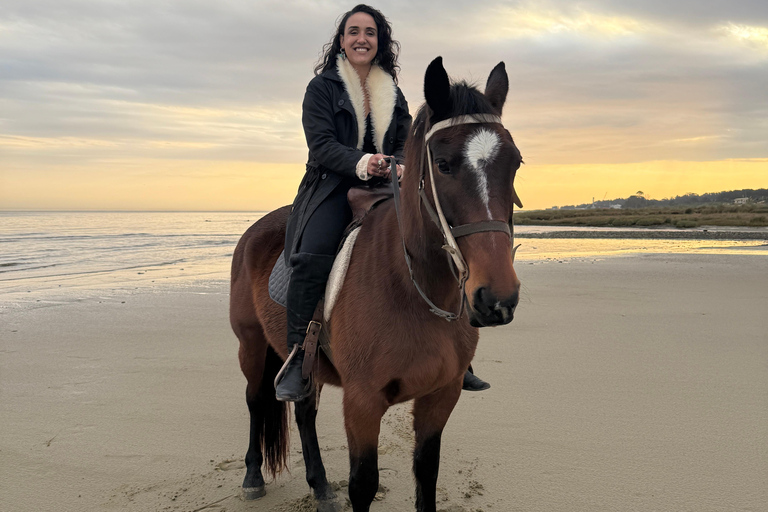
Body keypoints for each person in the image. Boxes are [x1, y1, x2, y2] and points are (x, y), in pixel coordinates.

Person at [276, 4, 489, 402]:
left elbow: (408, 140)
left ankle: (460, 355)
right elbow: (321, 145)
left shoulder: (391, 90)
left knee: (443, 239)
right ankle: (297, 360)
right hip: (331, 185)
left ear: (379, 42)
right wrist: (362, 161)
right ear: (341, 41)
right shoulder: (321, 88)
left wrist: (403, 164)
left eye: (370, 32)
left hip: (390, 184)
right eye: (353, 31)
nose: (362, 38)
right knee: (312, 255)